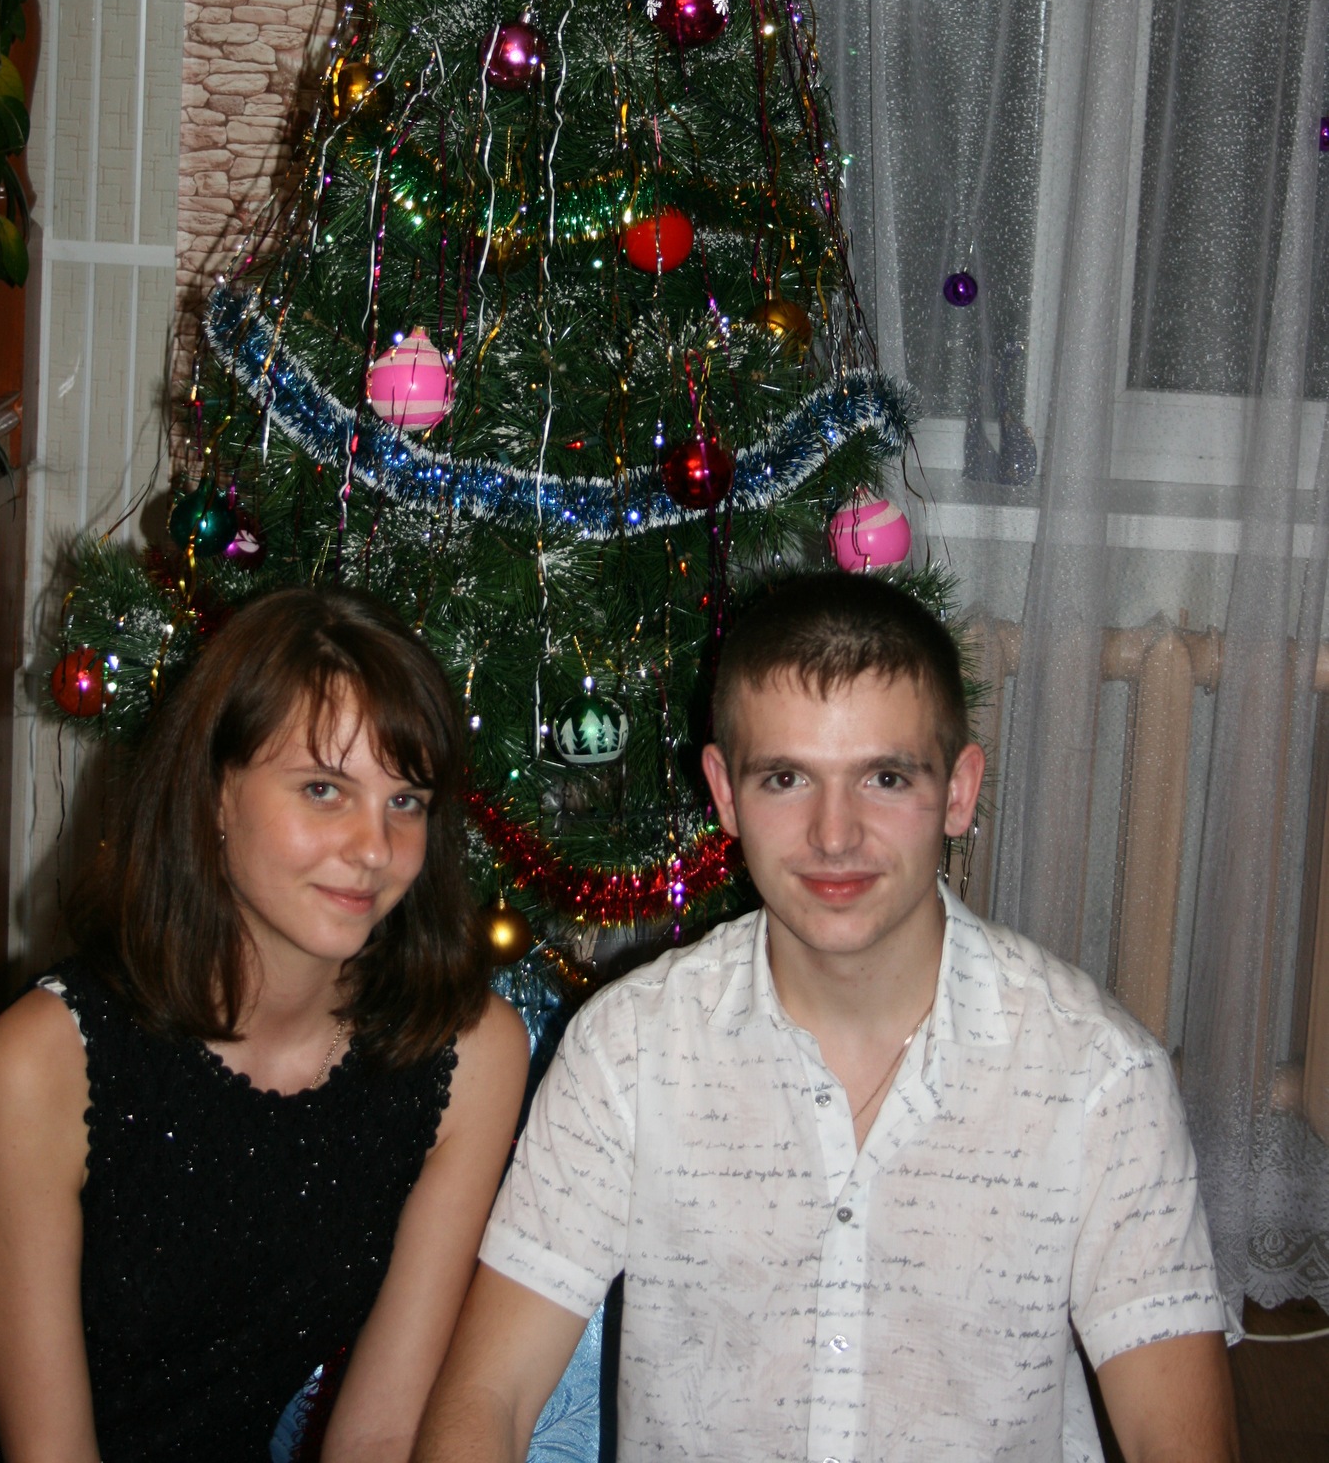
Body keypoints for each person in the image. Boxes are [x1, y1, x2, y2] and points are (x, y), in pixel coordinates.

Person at [415, 573, 1239, 1463]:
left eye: (884, 777)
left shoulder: (1100, 1077)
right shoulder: (628, 1049)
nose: (833, 835)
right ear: (724, 793)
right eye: (785, 778)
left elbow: (1176, 1439)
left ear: (958, 792)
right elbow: (487, 1398)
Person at [0, 588, 527, 1463]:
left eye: (406, 801)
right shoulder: (45, 1061)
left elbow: (380, 1433)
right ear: (215, 795)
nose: (373, 849)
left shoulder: (467, 1053)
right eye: (323, 790)